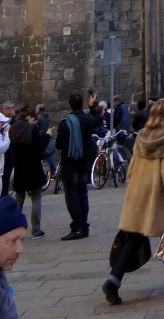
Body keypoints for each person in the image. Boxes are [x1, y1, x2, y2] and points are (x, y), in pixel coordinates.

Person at [102, 98, 164, 304]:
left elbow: (131, 170)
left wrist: (136, 190)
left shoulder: (142, 136)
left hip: (140, 196)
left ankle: (113, 280)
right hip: (162, 198)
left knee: (134, 240)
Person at [54, 91, 102, 240]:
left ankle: (77, 227)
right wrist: (92, 105)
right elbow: (97, 119)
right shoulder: (87, 119)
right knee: (82, 194)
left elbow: (59, 145)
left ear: (70, 105)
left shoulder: (66, 123)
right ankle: (84, 226)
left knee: (72, 196)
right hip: (84, 162)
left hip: (70, 163)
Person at [9, 105, 52, 238]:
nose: (35, 121)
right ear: (29, 117)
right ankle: (36, 228)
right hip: (33, 167)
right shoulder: (31, 129)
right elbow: (40, 146)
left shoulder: (13, 129)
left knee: (19, 199)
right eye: (33, 118)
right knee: (36, 198)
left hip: (19, 168)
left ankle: (15, 228)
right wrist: (48, 136)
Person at [35, 104, 57, 177]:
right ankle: (53, 170)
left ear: (39, 109)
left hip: (41, 137)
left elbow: (38, 128)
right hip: (45, 136)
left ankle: (51, 170)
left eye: (36, 108)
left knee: (44, 155)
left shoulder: (39, 117)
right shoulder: (46, 116)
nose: (35, 109)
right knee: (47, 155)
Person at [0, 102, 16, 197]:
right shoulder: (0, 121)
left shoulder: (15, 121)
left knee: (6, 176)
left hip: (10, 153)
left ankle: (4, 194)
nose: (10, 110)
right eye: (8, 108)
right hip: (1, 152)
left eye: (12, 108)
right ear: (4, 110)